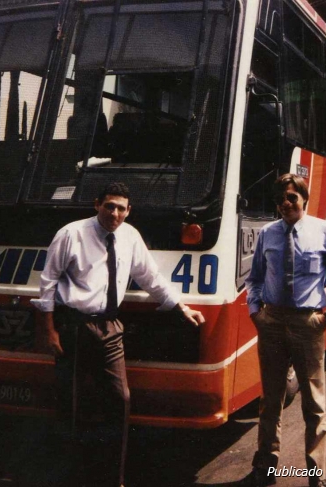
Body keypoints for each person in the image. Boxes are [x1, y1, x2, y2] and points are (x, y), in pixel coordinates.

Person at [32, 182, 204, 487]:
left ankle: (113, 479)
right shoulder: (71, 234)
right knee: (70, 406)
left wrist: (181, 307)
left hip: (110, 328)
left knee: (120, 399)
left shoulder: (130, 237)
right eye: (109, 205)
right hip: (73, 326)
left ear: (128, 210)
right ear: (97, 204)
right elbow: (47, 285)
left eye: (120, 208)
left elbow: (150, 276)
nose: (114, 213)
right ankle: (68, 478)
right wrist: (50, 332)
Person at [245, 173, 326, 487]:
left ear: (304, 200)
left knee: (314, 402)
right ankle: (265, 467)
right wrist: (256, 312)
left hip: (308, 324)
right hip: (272, 323)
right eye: (281, 198)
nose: (285, 203)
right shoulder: (267, 233)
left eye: (292, 197)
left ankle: (316, 474)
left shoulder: (324, 231)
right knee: (270, 401)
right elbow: (253, 279)